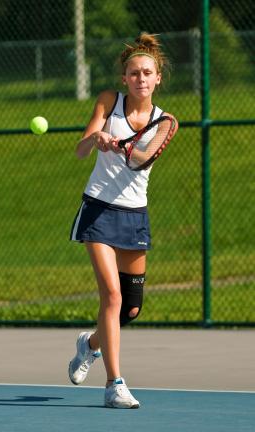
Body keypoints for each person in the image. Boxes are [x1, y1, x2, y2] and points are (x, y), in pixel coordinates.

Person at [68, 33, 177, 409]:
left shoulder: (163, 122)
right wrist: (97, 136)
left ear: (158, 78)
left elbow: (139, 159)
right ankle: (115, 384)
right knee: (111, 296)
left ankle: (89, 344)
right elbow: (81, 150)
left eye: (147, 73)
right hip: (98, 209)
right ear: (124, 77)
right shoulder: (106, 101)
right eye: (134, 73)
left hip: (134, 216)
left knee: (129, 308)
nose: (140, 79)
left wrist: (123, 146)